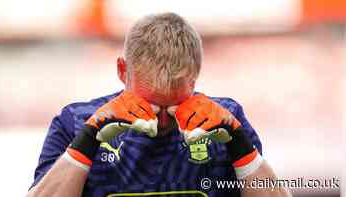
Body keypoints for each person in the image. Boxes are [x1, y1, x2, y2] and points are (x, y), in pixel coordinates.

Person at [27, 13, 290, 197]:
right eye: (149, 105)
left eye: (175, 106)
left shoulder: (228, 119)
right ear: (122, 70)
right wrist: (84, 144)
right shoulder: (75, 122)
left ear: (195, 76)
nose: (162, 121)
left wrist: (240, 147)